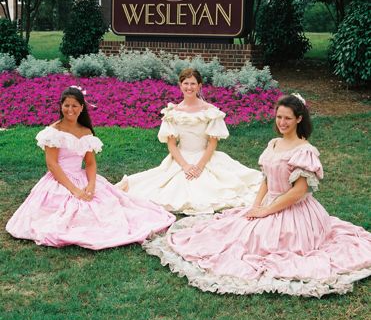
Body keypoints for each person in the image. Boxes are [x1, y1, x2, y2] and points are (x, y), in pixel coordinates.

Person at [143, 94, 371, 297]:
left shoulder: (304, 151)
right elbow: (266, 179)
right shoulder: (274, 144)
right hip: (269, 200)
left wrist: (266, 210)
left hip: (294, 209)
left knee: (262, 242)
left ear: (299, 119)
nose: (282, 123)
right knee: (239, 232)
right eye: (279, 117)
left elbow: (299, 192)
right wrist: (255, 205)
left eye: (288, 118)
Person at [6, 86, 175, 250]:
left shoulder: (86, 131)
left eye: (74, 106)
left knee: (107, 206)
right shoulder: (53, 131)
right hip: (60, 180)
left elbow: (90, 163)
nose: (70, 109)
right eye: (66, 105)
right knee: (72, 211)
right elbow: (53, 164)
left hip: (82, 177)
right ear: (61, 106)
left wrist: (91, 184)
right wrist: (74, 190)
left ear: (81, 108)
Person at [116, 68, 263, 214]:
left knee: (215, 185)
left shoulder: (209, 111)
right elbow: (172, 145)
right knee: (160, 184)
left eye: (193, 84)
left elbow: (212, 143)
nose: (189, 87)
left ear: (199, 86)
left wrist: (199, 166)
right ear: (180, 86)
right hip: (181, 157)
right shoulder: (173, 113)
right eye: (186, 83)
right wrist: (185, 165)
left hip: (205, 156)